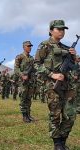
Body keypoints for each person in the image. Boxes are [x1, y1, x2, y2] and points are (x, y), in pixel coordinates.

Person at [34, 20, 77, 150]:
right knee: (55, 114)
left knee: (70, 115)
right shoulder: (44, 45)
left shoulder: (65, 48)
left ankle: (63, 140)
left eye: (63, 29)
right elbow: (36, 64)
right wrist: (52, 75)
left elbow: (72, 67)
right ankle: (57, 144)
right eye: (59, 29)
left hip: (67, 85)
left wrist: (73, 57)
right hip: (52, 85)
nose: (62, 31)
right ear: (51, 30)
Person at [14, 41, 35, 123]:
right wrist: (22, 75)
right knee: (23, 98)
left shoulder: (31, 58)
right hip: (23, 81)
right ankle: (24, 116)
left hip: (30, 81)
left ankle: (28, 114)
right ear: (24, 47)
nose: (30, 47)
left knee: (29, 98)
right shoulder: (19, 57)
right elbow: (16, 69)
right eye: (28, 46)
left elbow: (34, 68)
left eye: (30, 46)